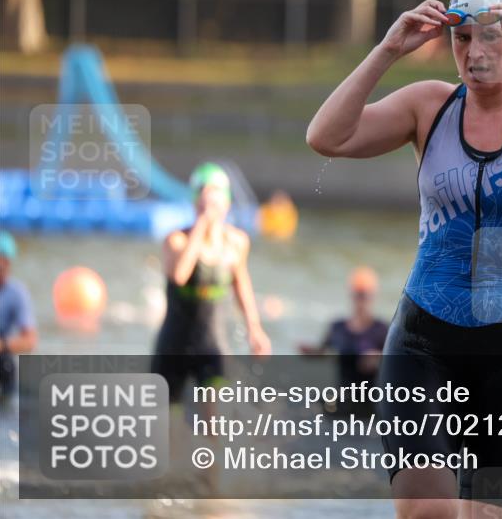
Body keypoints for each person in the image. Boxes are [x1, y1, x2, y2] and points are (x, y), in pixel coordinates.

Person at [307, 0, 502, 519]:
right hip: (424, 342)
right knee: (427, 511)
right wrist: (387, 51)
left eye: (491, 36)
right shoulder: (429, 106)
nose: (475, 52)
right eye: (462, 38)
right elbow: (326, 137)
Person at [151, 163, 271, 404]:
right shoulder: (176, 240)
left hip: (212, 344)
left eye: (216, 199)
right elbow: (180, 276)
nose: (211, 206)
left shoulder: (236, 242)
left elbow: (241, 284)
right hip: (174, 345)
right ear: (195, 202)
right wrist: (203, 222)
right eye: (205, 199)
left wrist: (254, 328)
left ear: (227, 203)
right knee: (168, 421)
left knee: (215, 420)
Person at [299, 266, 389, 389]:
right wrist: (310, 352)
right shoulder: (338, 328)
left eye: (364, 296)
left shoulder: (381, 329)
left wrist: (378, 359)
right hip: (343, 391)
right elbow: (323, 351)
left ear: (373, 296)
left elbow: (396, 363)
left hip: (371, 393)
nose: (361, 301)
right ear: (351, 295)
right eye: (357, 295)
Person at [0, 231, 37, 400]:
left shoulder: (17, 294)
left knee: (6, 364)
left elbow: (30, 341)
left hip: (2, 357)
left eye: (4, 262)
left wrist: (2, 345)